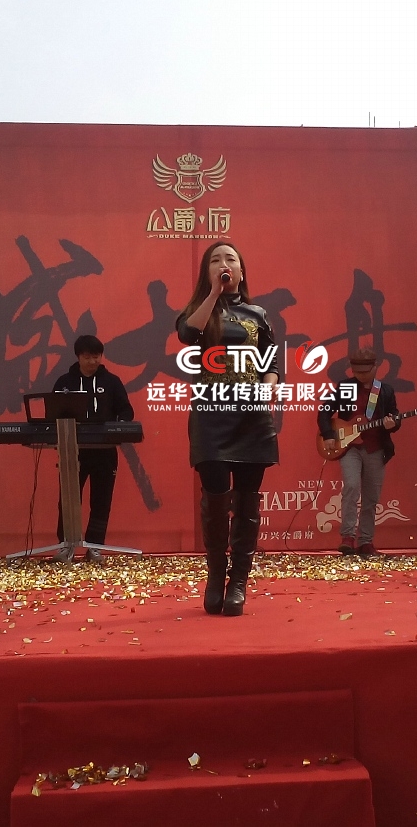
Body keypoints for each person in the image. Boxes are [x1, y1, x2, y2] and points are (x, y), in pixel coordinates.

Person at [177, 241, 279, 616]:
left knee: (248, 499)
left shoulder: (258, 314)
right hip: (211, 415)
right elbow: (188, 335)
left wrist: (267, 389)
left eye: (230, 259)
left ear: (241, 271)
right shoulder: (197, 311)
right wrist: (213, 294)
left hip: (252, 417)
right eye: (216, 260)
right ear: (208, 272)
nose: (224, 264)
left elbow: (272, 364)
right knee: (216, 496)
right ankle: (216, 575)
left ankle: (238, 582)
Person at [51, 334, 134, 563]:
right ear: (78, 357)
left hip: (105, 451)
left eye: (96, 356)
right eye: (87, 357)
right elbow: (53, 413)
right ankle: (66, 546)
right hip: (72, 449)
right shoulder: (64, 383)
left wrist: (120, 425)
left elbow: (126, 410)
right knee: (68, 500)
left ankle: (95, 546)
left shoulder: (112, 381)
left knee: (101, 500)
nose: (92, 361)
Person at [318, 346, 399, 557]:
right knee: (352, 487)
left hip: (375, 448)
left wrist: (393, 424)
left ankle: (365, 541)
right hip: (350, 447)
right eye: (357, 371)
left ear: (376, 367)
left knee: (371, 497)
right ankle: (347, 537)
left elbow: (394, 417)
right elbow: (325, 412)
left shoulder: (385, 391)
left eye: (365, 371)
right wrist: (328, 435)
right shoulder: (345, 387)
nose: (361, 375)